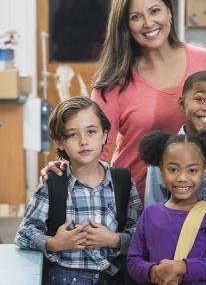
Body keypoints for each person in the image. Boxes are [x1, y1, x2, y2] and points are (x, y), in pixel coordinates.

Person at [41, 0, 206, 200]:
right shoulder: (113, 80)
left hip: (200, 194)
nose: (148, 23)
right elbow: (95, 142)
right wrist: (65, 169)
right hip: (135, 200)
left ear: (169, 11)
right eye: (136, 17)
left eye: (155, 11)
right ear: (126, 25)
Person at [15, 96, 142, 284]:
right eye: (73, 134)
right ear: (59, 142)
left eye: (91, 131)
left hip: (113, 277)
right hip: (64, 278)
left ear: (105, 135)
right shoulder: (53, 183)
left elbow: (141, 233)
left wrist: (114, 239)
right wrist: (53, 243)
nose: (83, 141)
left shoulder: (122, 181)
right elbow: (24, 233)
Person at [128, 130, 206, 284]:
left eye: (192, 170)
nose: (182, 178)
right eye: (173, 169)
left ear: (205, 169)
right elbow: (133, 260)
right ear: (161, 168)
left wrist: (181, 267)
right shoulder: (150, 214)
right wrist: (152, 271)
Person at [144, 71, 206, 220]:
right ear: (182, 104)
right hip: (175, 241)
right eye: (200, 99)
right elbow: (154, 212)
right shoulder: (163, 153)